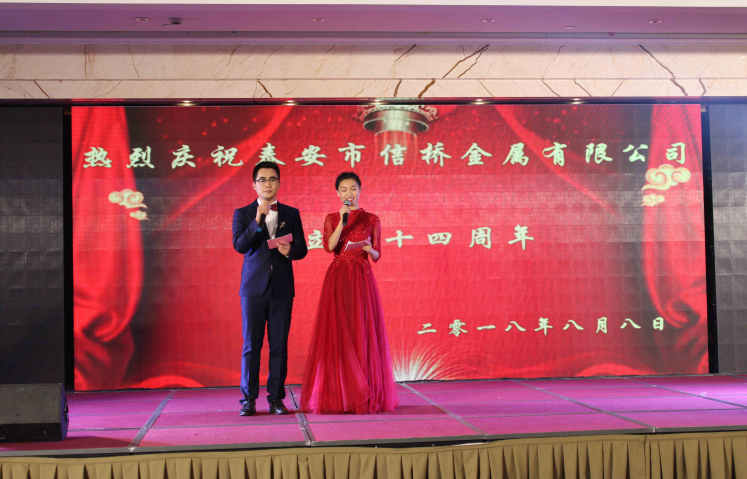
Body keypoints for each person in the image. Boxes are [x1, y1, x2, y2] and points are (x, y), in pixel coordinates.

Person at [300, 172, 399, 414]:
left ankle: (364, 393)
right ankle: (338, 394)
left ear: (360, 190)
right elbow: (329, 247)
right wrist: (342, 222)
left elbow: (377, 254)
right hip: (338, 278)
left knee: (361, 329)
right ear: (337, 193)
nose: (349, 193)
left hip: (362, 279)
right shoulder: (333, 218)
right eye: (344, 189)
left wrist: (369, 249)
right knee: (338, 331)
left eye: (353, 188)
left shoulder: (371, 218)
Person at [232, 161, 308, 416]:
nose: (267, 184)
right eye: (262, 180)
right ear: (254, 185)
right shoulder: (242, 213)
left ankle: (276, 398)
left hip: (282, 289)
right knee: (251, 346)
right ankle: (248, 400)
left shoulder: (291, 213)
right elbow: (240, 245)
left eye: (272, 179)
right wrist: (258, 219)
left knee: (279, 345)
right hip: (253, 288)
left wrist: (290, 251)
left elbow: (302, 249)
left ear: (279, 183)